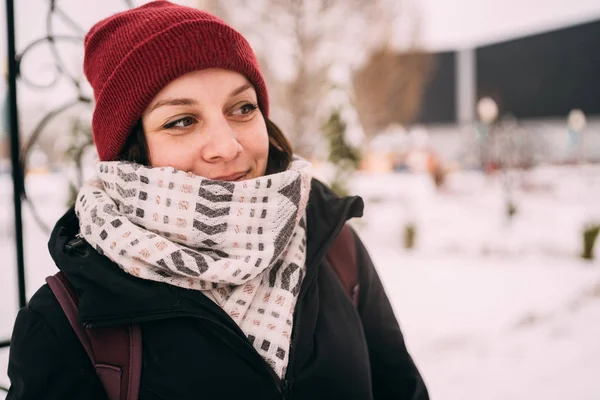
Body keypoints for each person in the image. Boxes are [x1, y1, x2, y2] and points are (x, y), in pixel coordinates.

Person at [6, 2, 428, 399]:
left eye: (242, 108)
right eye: (182, 121)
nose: (226, 146)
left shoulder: (332, 246)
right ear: (131, 152)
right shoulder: (66, 323)